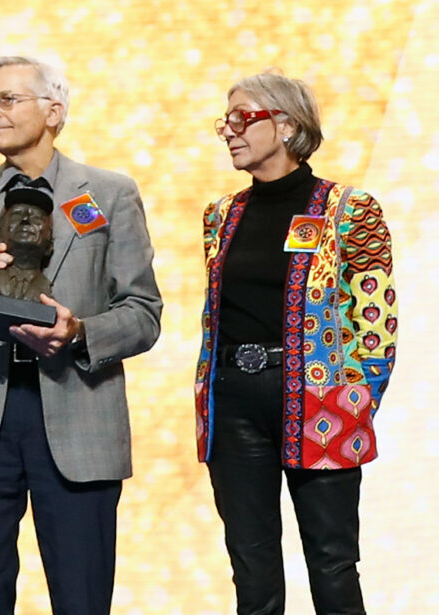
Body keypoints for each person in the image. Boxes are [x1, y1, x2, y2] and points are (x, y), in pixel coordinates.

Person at [0, 56, 162, 615]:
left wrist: (79, 334)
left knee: (81, 598)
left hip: (79, 416)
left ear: (55, 110)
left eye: (9, 100)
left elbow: (144, 313)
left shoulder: (111, 193)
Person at [194, 71, 397, 614]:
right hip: (234, 400)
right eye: (226, 122)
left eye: (242, 118)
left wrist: (357, 397)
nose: (229, 131)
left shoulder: (349, 210)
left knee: (331, 562)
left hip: (319, 402)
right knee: (251, 566)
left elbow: (374, 319)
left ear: (285, 125)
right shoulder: (221, 216)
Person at [0, 186, 55, 301]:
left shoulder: (46, 288)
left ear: (50, 244)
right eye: (16, 216)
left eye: (36, 218)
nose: (25, 219)